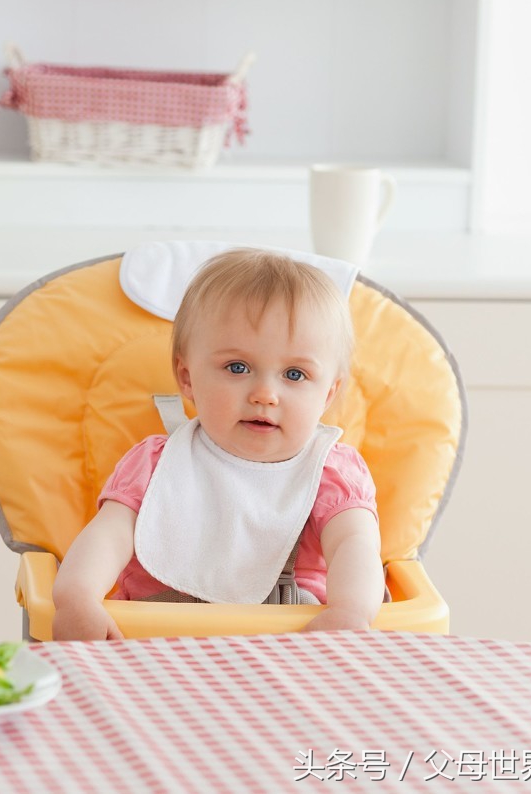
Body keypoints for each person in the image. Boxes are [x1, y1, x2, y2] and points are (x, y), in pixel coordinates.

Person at [51, 248, 385, 641]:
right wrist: (77, 596)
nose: (265, 394)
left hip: (293, 649)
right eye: (237, 368)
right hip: (154, 644)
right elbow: (110, 534)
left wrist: (350, 609)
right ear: (187, 378)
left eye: (294, 374)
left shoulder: (331, 472)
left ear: (328, 394)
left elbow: (355, 543)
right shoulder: (156, 464)